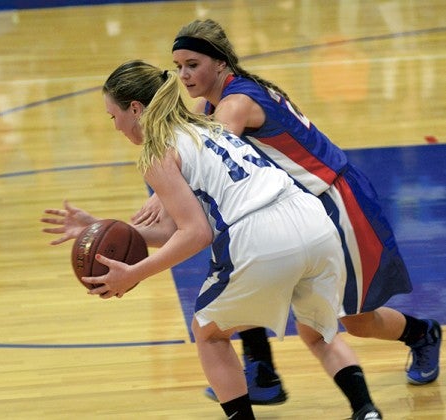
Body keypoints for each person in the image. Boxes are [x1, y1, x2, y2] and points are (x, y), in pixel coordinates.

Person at [41, 60, 382, 420]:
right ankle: (367, 411)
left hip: (258, 236)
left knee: (207, 332)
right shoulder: (206, 124)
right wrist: (101, 227)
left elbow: (197, 235)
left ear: (136, 109)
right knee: (319, 334)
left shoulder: (156, 153)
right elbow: (176, 230)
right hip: (312, 222)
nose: (115, 127)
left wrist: (135, 273)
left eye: (113, 116)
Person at [133, 18, 442, 405]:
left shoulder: (235, 104)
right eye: (178, 67)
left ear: (221, 63)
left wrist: (160, 193)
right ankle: (261, 372)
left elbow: (204, 157)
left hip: (335, 201)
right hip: (297, 207)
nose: (183, 75)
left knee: (355, 321)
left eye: (192, 65)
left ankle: (421, 333)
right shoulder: (214, 101)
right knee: (241, 271)